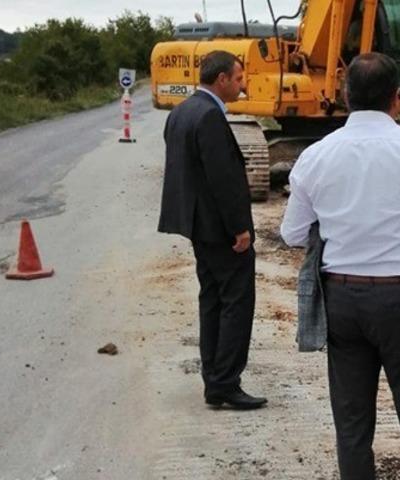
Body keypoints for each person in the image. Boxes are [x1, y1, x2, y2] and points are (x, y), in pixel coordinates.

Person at [280, 52, 400, 480]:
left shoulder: (317, 155)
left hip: (342, 302)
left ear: (345, 96)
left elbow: (292, 234)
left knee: (352, 427)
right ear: (397, 98)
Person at [158, 50, 266, 410]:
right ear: (221, 79)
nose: (242, 84)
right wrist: (240, 228)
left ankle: (214, 377)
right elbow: (222, 179)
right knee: (236, 302)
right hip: (220, 229)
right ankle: (225, 383)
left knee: (212, 299)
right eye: (238, 78)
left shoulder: (181, 112)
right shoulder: (209, 117)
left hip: (197, 227)